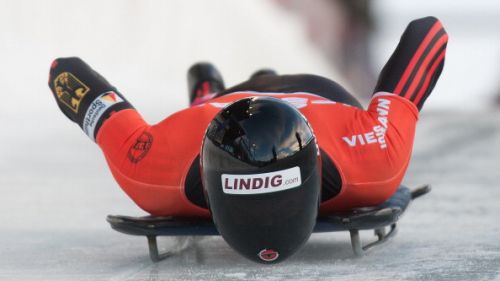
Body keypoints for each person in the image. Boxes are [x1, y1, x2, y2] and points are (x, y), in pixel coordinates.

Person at [48, 16, 448, 263]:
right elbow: (426, 33)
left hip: (293, 100)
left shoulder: (153, 171)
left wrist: (67, 82)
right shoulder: (373, 162)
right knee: (206, 109)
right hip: (250, 105)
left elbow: (67, 74)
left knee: (203, 109)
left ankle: (208, 92)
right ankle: (208, 93)